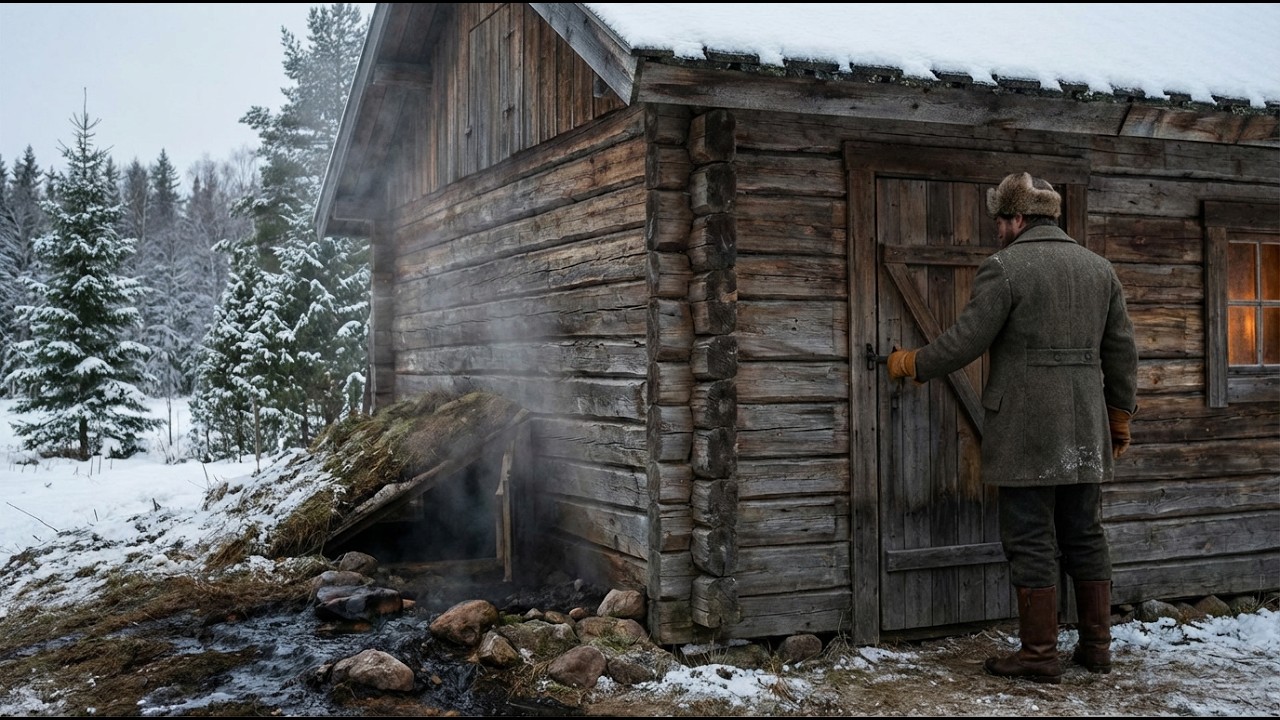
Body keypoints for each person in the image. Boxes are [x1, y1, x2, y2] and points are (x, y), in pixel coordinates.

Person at [885, 171, 1138, 684]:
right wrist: (1118, 416)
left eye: (1001, 219)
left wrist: (910, 363)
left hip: (1027, 428)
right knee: (1085, 533)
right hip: (1086, 425)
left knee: (1030, 536)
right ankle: (1097, 648)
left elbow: (964, 342)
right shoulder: (1099, 269)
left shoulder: (1005, 268)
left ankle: (1040, 655)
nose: (997, 228)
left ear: (1019, 218)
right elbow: (1122, 352)